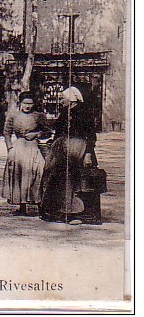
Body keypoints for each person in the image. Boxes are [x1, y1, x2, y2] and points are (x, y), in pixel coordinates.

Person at [40, 87, 94, 224]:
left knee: (73, 180)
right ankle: (56, 211)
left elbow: (91, 136)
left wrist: (88, 153)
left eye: (63, 98)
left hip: (78, 149)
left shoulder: (84, 113)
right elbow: (59, 132)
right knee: (55, 178)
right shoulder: (64, 113)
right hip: (62, 150)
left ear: (70, 100)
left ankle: (74, 213)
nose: (61, 101)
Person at [0, 92, 49, 216]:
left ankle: (40, 207)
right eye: (25, 103)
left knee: (36, 174)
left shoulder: (38, 116)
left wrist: (37, 134)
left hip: (33, 147)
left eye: (30, 103)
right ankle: (22, 207)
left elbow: (48, 132)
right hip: (18, 149)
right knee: (19, 176)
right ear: (20, 103)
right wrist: (10, 148)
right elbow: (6, 133)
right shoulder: (13, 116)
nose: (27, 106)